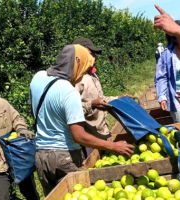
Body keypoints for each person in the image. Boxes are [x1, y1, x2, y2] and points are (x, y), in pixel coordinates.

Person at [30, 44, 135, 196]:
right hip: (65, 157)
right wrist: (113, 146)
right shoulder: (69, 91)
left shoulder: (38, 77)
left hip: (41, 156)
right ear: (77, 64)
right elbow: (79, 136)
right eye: (84, 67)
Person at [73, 38, 133, 157]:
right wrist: (92, 104)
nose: (95, 58)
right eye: (92, 54)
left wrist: (117, 98)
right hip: (87, 136)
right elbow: (71, 109)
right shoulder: (75, 79)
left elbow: (100, 98)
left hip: (101, 131)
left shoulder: (92, 74)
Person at [0, 98, 39, 200]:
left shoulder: (0, 103)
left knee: (30, 193)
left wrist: (21, 128)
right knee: (2, 196)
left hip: (17, 157)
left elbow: (16, 118)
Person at [155, 20, 180, 123]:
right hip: (178, 97)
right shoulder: (168, 54)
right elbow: (161, 77)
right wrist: (162, 97)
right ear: (173, 38)